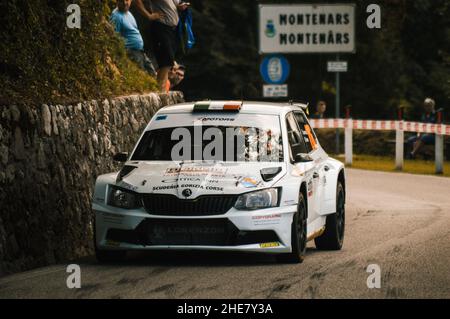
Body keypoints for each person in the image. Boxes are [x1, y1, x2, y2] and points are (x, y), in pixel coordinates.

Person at [133, 0, 189, 92]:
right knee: (166, 61)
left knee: (168, 62)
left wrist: (182, 6)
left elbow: (177, 4)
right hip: (161, 27)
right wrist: (148, 15)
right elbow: (137, 1)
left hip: (172, 30)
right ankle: (159, 91)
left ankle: (161, 89)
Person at [110, 0, 157, 77]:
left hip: (140, 51)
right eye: (122, 1)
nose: (125, 3)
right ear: (117, 1)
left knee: (153, 75)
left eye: (127, 0)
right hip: (131, 52)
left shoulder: (128, 13)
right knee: (142, 76)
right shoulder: (116, 16)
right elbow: (113, 37)